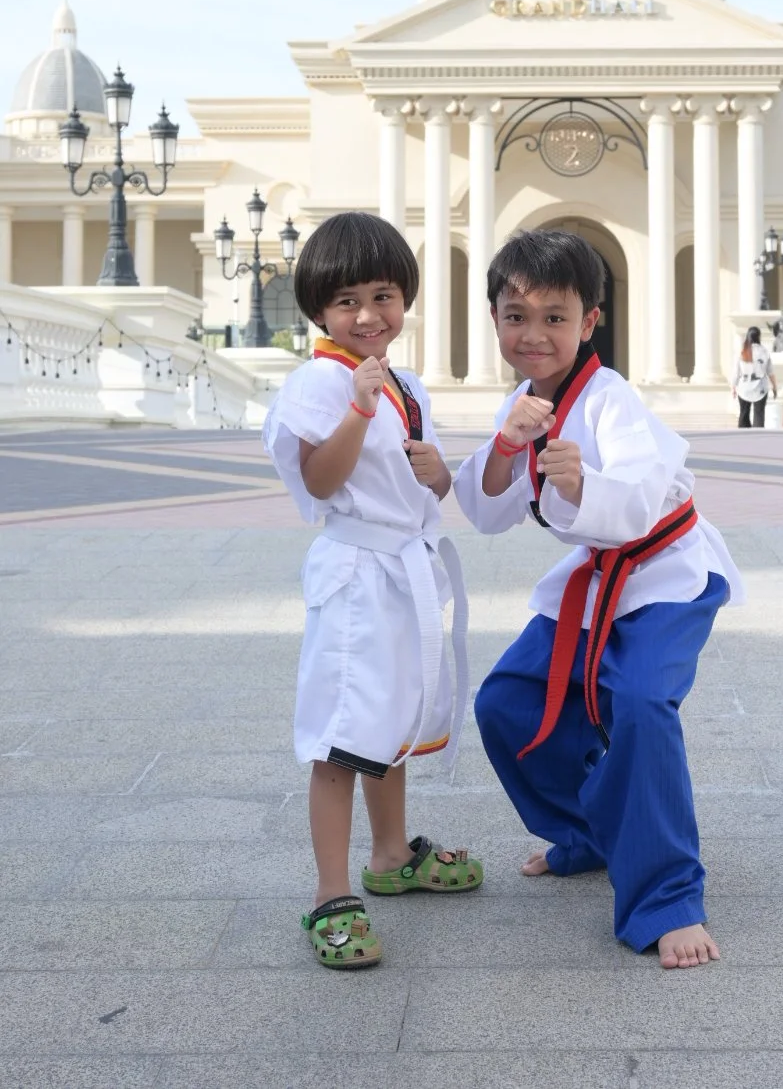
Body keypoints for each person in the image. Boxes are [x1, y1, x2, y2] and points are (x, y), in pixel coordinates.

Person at [454, 228, 745, 970]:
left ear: (590, 323)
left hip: (666, 573)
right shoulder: (519, 405)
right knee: (506, 705)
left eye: (556, 316)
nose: (535, 333)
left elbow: (645, 492)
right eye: (516, 315)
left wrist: (584, 484)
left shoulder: (609, 398)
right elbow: (486, 512)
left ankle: (668, 898)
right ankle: (588, 831)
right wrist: (503, 448)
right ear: (494, 320)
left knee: (642, 703)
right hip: (594, 581)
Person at [263, 211, 482, 970]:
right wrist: (358, 408)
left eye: (384, 296)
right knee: (340, 737)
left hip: (404, 571)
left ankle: (391, 856)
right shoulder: (319, 381)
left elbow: (419, 482)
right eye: (348, 299)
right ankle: (330, 893)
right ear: (319, 307)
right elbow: (321, 481)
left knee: (391, 721)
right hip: (358, 577)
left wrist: (440, 475)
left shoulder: (406, 381)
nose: (367, 315)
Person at [731, 325, 777, 427]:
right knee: (759, 414)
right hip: (760, 387)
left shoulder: (741, 352)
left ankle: (743, 437)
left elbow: (736, 372)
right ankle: (758, 436)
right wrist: (774, 387)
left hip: (744, 387)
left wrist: (733, 387)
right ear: (759, 337)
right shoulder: (764, 351)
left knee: (744, 413)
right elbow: (770, 372)